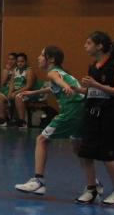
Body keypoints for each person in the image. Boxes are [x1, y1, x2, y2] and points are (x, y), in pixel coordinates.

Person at [14, 46, 86, 195]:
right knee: (77, 146)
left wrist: (65, 86)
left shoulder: (53, 73)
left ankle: (38, 181)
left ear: (51, 59)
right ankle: (93, 184)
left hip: (71, 111)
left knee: (41, 140)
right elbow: (53, 87)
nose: (38, 58)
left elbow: (57, 81)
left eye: (42, 55)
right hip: (82, 111)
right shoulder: (62, 72)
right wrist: (34, 92)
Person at [75, 31, 114, 205]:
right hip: (92, 115)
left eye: (89, 43)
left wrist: (96, 84)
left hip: (109, 117)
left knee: (107, 155)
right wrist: (77, 89)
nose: (85, 46)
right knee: (85, 153)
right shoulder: (93, 66)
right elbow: (92, 91)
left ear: (100, 46)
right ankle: (92, 189)